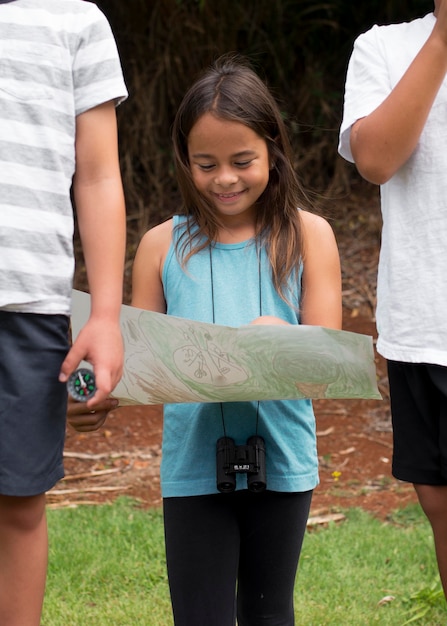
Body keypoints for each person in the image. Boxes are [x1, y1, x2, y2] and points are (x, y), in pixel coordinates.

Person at [131, 54, 341, 626]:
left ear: (274, 149)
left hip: (285, 459)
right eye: (206, 163)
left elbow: (327, 364)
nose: (225, 178)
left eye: (242, 160)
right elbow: (140, 365)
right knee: (198, 614)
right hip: (193, 464)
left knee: (270, 611)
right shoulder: (158, 246)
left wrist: (282, 342)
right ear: (183, 160)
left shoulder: (309, 236)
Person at [0, 0, 127, 624]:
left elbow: (98, 176)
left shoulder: (76, 20)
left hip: (28, 308)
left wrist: (104, 316)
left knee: (19, 505)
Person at [338, 0, 447, 598]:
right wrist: (442, 42)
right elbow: (376, 159)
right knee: (439, 505)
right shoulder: (382, 47)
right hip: (424, 323)